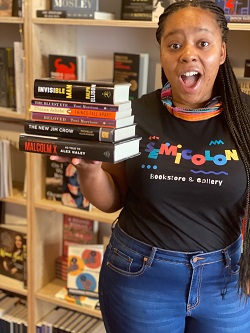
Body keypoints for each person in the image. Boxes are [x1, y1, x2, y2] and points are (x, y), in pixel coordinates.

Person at [50, 1, 250, 331]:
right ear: (162, 53)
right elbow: (112, 200)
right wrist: (88, 168)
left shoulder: (245, 117)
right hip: (140, 277)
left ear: (222, 51)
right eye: (174, 44)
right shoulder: (134, 114)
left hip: (226, 281)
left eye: (202, 43)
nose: (187, 53)